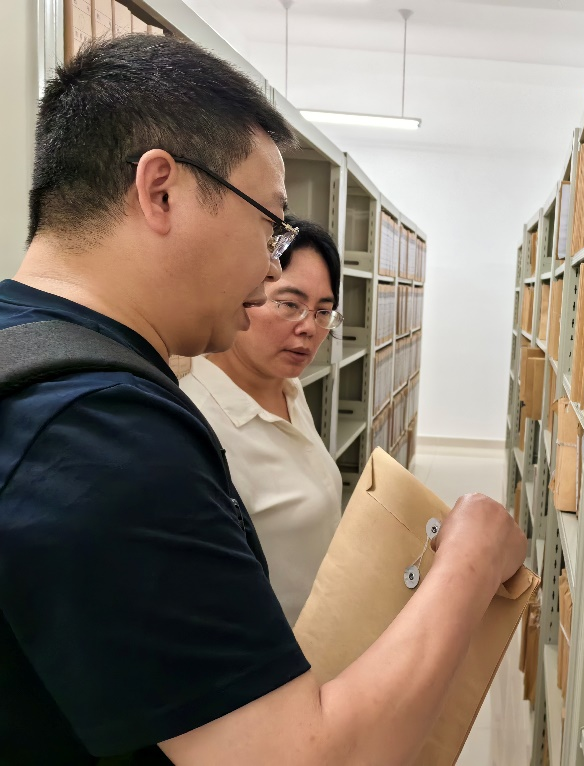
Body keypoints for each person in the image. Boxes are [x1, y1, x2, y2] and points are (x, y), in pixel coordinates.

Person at [0, 34, 525, 765]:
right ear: (161, 191)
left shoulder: (25, 349)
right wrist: (471, 560)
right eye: (270, 225)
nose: (268, 265)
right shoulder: (107, 439)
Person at [179, 217, 345, 626]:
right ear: (246, 293)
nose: (308, 328)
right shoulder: (196, 420)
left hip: (325, 635)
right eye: (290, 304)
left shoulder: (290, 388)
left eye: (323, 312)